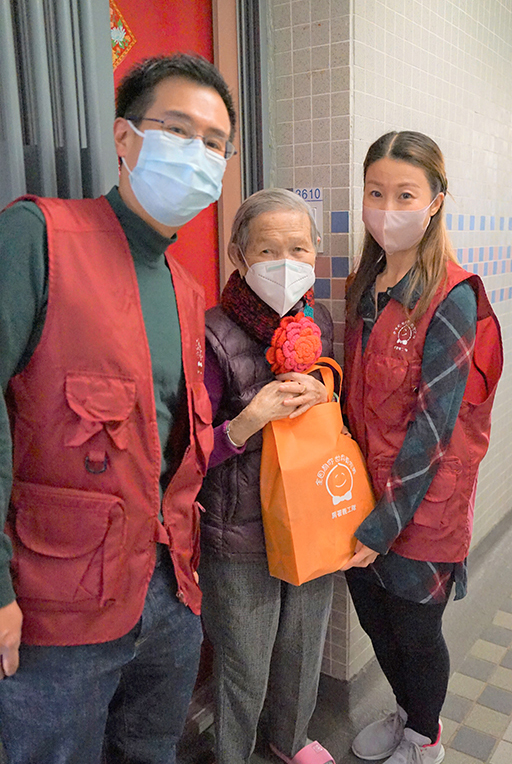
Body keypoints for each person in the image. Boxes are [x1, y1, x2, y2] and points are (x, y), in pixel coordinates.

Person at [0, 53, 236, 764]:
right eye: (178, 129)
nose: (198, 153)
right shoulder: (38, 238)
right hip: (56, 606)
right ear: (125, 137)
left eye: (215, 143)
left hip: (168, 592)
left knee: (149, 750)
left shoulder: (187, 291)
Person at [342, 131, 502, 764]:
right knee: (374, 619)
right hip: (362, 495)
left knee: (414, 631)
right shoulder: (365, 285)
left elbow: (434, 429)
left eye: (405, 195)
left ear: (435, 201)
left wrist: (385, 523)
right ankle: (408, 714)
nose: (388, 208)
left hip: (425, 504)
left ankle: (426, 738)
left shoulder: (452, 295)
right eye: (376, 192)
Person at [198, 188, 336, 764]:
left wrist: (324, 391)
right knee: (243, 664)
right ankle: (232, 753)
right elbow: (187, 452)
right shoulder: (210, 334)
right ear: (239, 254)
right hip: (239, 532)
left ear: (316, 253)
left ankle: (291, 740)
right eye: (268, 250)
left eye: (299, 248)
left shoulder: (319, 321)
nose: (286, 262)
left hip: (310, 517)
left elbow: (336, 414)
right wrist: (248, 420)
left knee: (303, 648)